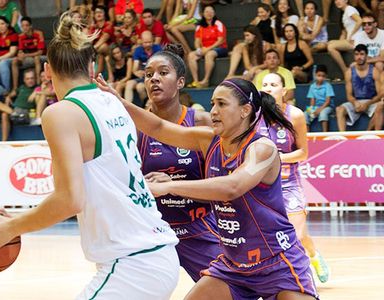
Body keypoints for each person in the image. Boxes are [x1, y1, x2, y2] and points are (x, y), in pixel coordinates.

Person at [0, 13, 180, 300]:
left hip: (133, 263)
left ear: (47, 69)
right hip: (152, 253)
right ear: (92, 65)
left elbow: (69, 200)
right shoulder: (112, 101)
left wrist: (9, 228)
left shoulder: (61, 113)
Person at [97, 74, 319, 300]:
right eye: (213, 103)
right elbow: (158, 127)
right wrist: (119, 101)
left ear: (245, 110)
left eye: (222, 104)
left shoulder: (263, 148)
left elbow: (232, 187)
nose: (213, 111)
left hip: (277, 261)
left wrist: (171, 186)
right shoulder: (209, 140)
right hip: (234, 266)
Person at [136, 44, 223, 282]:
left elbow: (221, 189)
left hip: (198, 227)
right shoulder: (133, 128)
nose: (154, 78)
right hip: (152, 232)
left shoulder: (203, 122)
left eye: (163, 73)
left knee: (228, 291)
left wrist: (172, 184)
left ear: (181, 82)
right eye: (149, 74)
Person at [258, 72, 330, 283]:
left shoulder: (295, 115)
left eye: (273, 84)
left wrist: (278, 158)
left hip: (289, 184)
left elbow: (303, 153)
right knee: (268, 236)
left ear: (284, 90)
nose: (268, 88)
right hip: (263, 186)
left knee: (298, 236)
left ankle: (313, 259)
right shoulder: (254, 116)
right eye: (265, 84)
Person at [336, 44, 382, 131]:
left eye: (361, 54)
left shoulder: (374, 71)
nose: (359, 57)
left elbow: (380, 94)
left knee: (381, 107)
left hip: (371, 101)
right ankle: (342, 136)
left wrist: (367, 104)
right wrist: (354, 102)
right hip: (356, 101)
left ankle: (368, 132)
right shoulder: (349, 72)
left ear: (366, 56)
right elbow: (349, 95)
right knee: (339, 109)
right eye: (356, 54)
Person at [187, 5, 228, 88]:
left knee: (209, 54)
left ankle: (206, 80)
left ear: (214, 13)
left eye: (211, 11)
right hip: (204, 48)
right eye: (207, 11)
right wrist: (198, 49)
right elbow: (197, 41)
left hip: (220, 48)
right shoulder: (200, 26)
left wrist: (208, 49)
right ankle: (196, 81)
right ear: (203, 14)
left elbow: (221, 40)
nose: (209, 13)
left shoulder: (218, 24)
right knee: (191, 55)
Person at [0, 69, 38, 141]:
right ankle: (4, 141)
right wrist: (8, 97)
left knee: (5, 113)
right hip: (15, 112)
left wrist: (36, 92)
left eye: (32, 78)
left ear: (35, 79)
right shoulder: (21, 87)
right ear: (24, 80)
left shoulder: (37, 88)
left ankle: (15, 114)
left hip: (26, 114)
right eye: (27, 79)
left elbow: (46, 91)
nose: (30, 80)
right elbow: (12, 94)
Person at [124, 30, 162, 104]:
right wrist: (137, 72)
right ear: (141, 41)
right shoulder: (138, 50)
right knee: (129, 83)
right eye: (145, 43)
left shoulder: (158, 49)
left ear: (153, 41)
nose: (148, 44)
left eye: (149, 42)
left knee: (140, 87)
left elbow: (160, 66)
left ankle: (145, 106)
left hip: (154, 77)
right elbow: (135, 68)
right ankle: (128, 107)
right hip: (143, 76)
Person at [11, 16, 45, 92]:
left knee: (36, 58)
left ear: (31, 26)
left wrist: (26, 55)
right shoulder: (20, 36)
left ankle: (38, 84)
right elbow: (20, 50)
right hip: (29, 57)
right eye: (22, 26)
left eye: (26, 25)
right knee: (14, 61)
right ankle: (15, 88)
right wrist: (20, 55)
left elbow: (40, 52)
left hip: (41, 56)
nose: (24, 28)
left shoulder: (39, 33)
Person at [327, 0, 362, 74]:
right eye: (336, 0)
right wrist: (340, 42)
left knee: (331, 47)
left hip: (356, 40)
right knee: (330, 43)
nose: (337, 2)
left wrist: (351, 35)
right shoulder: (344, 12)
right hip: (350, 39)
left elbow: (359, 21)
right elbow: (344, 31)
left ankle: (345, 70)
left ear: (346, 0)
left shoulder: (349, 9)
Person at [0, 16, 18, 92]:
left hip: (10, 58)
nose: (0, 26)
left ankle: (5, 90)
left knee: (2, 63)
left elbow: (12, 52)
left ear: (7, 24)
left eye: (2, 24)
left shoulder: (13, 35)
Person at [305, 65, 335, 132]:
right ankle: (307, 134)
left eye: (323, 76)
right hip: (316, 107)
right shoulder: (312, 86)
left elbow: (328, 101)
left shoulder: (328, 86)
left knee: (323, 113)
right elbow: (312, 100)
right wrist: (312, 109)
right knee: (305, 114)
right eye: (319, 75)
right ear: (315, 75)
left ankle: (324, 133)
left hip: (327, 107)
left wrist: (320, 110)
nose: (321, 78)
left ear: (326, 77)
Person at [89, 5, 114, 75]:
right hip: (96, 52)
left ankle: (95, 75)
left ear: (105, 14)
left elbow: (105, 37)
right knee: (100, 52)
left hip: (111, 49)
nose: (98, 14)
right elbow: (90, 40)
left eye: (100, 12)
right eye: (96, 12)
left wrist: (93, 48)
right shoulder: (93, 27)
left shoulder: (109, 24)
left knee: (103, 46)